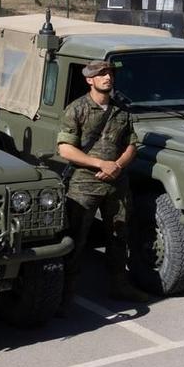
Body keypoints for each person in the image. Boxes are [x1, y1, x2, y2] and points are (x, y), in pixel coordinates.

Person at [56, 58, 137, 302]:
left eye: (110, 73)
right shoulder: (77, 109)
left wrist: (117, 166)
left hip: (116, 183)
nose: (107, 77)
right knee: (75, 239)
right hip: (83, 185)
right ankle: (65, 293)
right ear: (89, 79)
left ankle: (119, 285)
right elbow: (65, 150)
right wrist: (101, 164)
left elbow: (132, 145)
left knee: (119, 235)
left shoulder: (122, 109)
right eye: (101, 74)